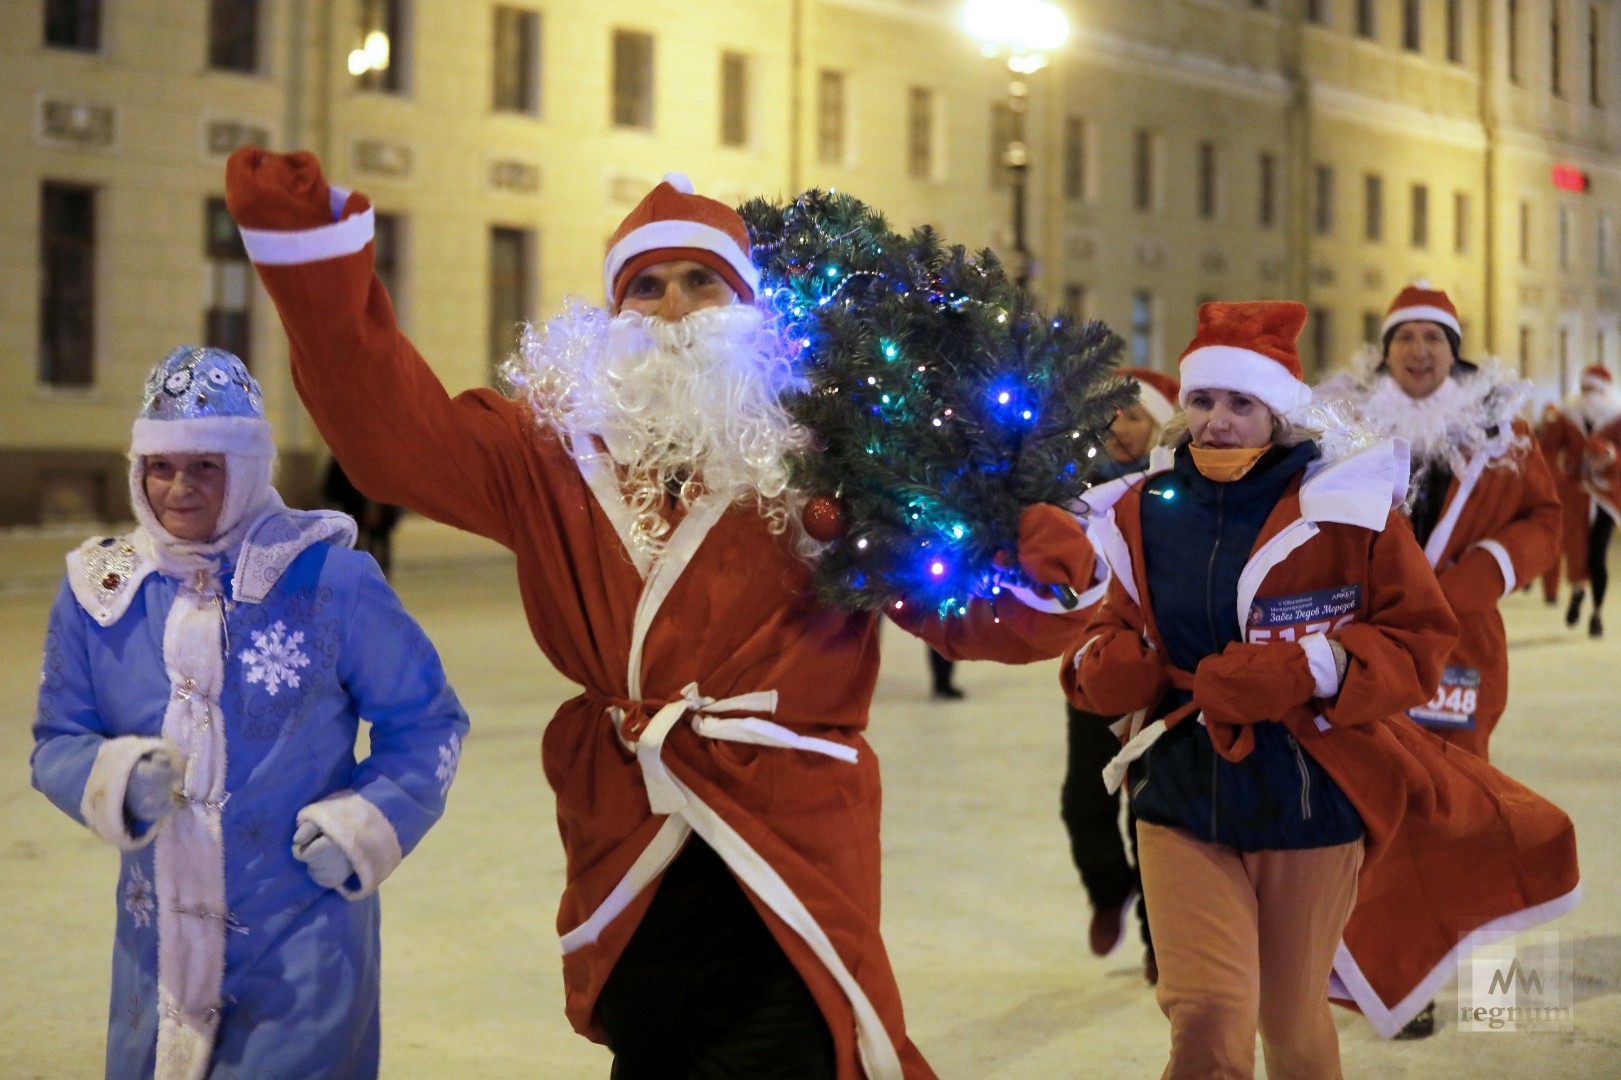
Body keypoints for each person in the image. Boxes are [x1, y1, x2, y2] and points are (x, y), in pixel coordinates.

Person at [225, 149, 1097, 1079]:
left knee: (789, 1052)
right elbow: (391, 439)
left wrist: (1042, 559)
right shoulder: (546, 452)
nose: (675, 308)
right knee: (654, 1050)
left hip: (784, 834)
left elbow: (972, 611)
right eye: (645, 285)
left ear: (750, 308)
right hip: (627, 834)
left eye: (699, 283)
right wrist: (316, 268)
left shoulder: (829, 455)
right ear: (610, 312)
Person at [1064, 301, 1579, 1075]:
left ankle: (1427, 970)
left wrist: (1308, 668)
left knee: (1292, 1018)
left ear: (1279, 413)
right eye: (1203, 400)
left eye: (1242, 403)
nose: (1218, 421)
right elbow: (1099, 631)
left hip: (1312, 791)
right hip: (1178, 791)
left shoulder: (1347, 504)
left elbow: (1416, 638)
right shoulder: (1141, 509)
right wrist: (1111, 664)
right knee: (1206, 1014)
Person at [30, 346, 469, 1080]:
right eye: (161, 466)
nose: (179, 488)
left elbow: (427, 722)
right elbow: (56, 740)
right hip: (157, 945)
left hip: (305, 937)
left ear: (248, 468)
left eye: (207, 466)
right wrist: (111, 777)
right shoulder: (98, 592)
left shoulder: (329, 580)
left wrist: (368, 823)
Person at [1316, 283, 1561, 760]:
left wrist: (1487, 570)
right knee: (1368, 767)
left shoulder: (1502, 432)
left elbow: (1544, 518)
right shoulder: (1343, 431)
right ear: (1386, 352)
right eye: (1404, 336)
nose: (1419, 350)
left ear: (1453, 352)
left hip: (1461, 640)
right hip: (1369, 635)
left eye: (1433, 337)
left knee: (1458, 780)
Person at [1058, 367, 1177, 980]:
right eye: (1108, 416)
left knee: (1149, 809)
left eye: (1132, 415)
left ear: (1160, 423)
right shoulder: (1076, 494)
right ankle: (1109, 891)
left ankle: (1162, 937)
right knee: (1083, 801)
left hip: (1157, 673)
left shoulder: (1174, 490)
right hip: (1094, 668)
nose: (1118, 428)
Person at [1543, 364, 1621, 635]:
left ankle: (1597, 612)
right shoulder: (1567, 415)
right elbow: (1549, 451)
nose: (1589, 394)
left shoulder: (1617, 418)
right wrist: (1562, 466)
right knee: (1576, 551)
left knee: (1597, 554)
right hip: (1574, 493)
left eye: (1593, 389)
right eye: (1586, 389)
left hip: (1607, 494)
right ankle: (1578, 592)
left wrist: (1610, 457)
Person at [324, 455, 403, 578]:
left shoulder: (386, 460)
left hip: (381, 509)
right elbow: (333, 487)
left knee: (380, 540)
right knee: (358, 540)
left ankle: (380, 571)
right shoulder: (343, 458)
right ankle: (361, 571)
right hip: (356, 507)